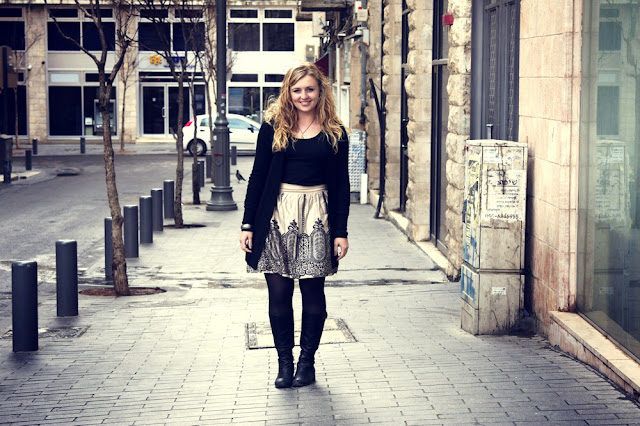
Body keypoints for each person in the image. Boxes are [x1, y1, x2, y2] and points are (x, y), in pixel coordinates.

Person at [239, 63, 350, 389]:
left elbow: (341, 186)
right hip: (275, 216)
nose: (304, 96)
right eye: (297, 89)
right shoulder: (273, 128)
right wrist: (248, 223)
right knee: (279, 293)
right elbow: (258, 177)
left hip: (317, 216)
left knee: (313, 293)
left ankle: (307, 362)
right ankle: (284, 364)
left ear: (320, 92)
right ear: (288, 92)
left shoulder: (335, 132)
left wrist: (341, 232)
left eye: (310, 89)